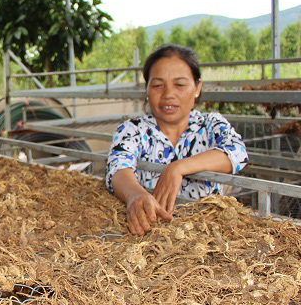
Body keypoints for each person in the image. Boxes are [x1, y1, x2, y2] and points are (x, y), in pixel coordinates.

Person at [105, 44, 248, 235]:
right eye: (157, 85)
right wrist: (135, 195)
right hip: (151, 233)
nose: (168, 94)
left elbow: (238, 152)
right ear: (146, 89)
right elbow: (117, 167)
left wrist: (177, 168)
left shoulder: (210, 124)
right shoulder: (133, 130)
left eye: (179, 85)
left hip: (206, 234)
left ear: (197, 88)